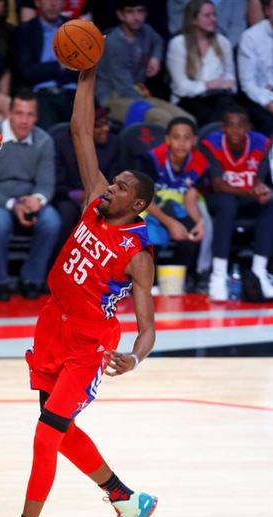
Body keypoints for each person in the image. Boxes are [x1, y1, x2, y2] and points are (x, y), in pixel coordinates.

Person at [0, 64, 157, 517]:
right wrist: (86, 75)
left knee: (45, 436)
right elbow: (80, 130)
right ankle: (125, 498)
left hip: (87, 344)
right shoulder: (95, 200)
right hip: (51, 324)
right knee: (57, 429)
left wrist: (135, 357)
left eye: (121, 187)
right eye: (113, 181)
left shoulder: (138, 255)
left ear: (137, 205)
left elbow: (148, 326)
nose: (111, 186)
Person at [0, 89, 61, 300]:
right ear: (9, 113)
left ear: (36, 117)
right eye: (19, 113)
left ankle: (31, 278)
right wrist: (12, 205)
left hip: (29, 197)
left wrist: (37, 199)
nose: (24, 120)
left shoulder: (44, 140)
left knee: (52, 221)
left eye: (30, 114)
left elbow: (47, 184)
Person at [200, 106, 273, 301]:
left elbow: (259, 180)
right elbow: (217, 185)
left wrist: (263, 191)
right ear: (223, 128)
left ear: (248, 128)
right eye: (230, 125)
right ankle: (218, 274)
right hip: (219, 197)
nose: (235, 130)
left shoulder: (262, 144)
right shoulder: (211, 143)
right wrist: (251, 192)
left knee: (270, 203)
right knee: (227, 203)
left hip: (248, 196)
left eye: (240, 126)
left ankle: (259, 271)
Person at [141, 117, 212, 292]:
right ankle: (148, 281)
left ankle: (186, 277)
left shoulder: (200, 162)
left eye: (187, 138)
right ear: (167, 139)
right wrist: (170, 223)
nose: (181, 143)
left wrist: (199, 222)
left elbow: (191, 198)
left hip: (182, 207)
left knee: (194, 231)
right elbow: (145, 199)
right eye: (176, 137)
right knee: (148, 233)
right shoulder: (151, 158)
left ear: (194, 140)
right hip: (152, 206)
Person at [95, 0, 189, 127]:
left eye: (140, 11)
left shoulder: (145, 30)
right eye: (130, 12)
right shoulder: (114, 43)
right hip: (113, 98)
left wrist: (155, 58)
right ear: (120, 15)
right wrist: (152, 104)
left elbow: (158, 41)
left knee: (185, 119)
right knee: (162, 118)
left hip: (137, 93)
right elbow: (124, 87)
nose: (136, 17)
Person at [52, 105, 120, 254]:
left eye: (106, 123)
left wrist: (98, 195)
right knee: (66, 212)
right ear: (86, 127)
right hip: (68, 197)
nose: (106, 129)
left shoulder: (114, 143)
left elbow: (116, 178)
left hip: (103, 196)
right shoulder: (61, 143)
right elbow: (55, 182)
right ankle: (63, 259)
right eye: (98, 125)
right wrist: (78, 195)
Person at [166, 0, 237, 127]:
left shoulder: (223, 42)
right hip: (188, 100)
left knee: (236, 116)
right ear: (193, 20)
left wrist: (225, 85)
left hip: (218, 96)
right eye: (207, 15)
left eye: (214, 15)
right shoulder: (178, 44)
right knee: (210, 119)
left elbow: (230, 78)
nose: (213, 19)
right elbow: (181, 87)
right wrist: (209, 85)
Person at [16, 0, 78, 130]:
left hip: (74, 94)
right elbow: (27, 72)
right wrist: (60, 66)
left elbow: (82, 66)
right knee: (52, 134)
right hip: (43, 95)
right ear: (37, 3)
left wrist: (47, 69)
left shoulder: (75, 27)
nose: (53, 4)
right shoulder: (26, 30)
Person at [238, 0, 273, 137]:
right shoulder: (251, 37)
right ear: (267, 11)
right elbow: (248, 84)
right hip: (261, 98)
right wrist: (268, 103)